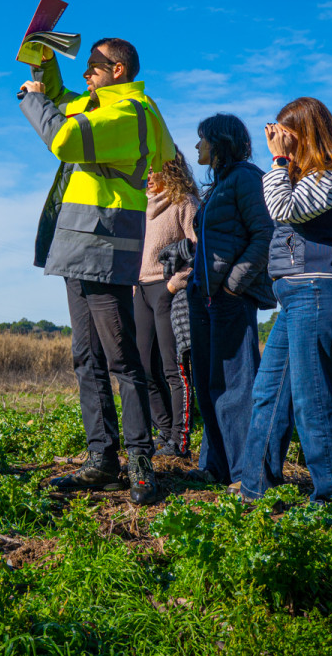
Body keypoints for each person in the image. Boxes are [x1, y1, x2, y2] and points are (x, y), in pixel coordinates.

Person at [19, 38, 176, 506]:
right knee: (86, 357)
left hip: (104, 248)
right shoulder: (100, 106)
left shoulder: (130, 113)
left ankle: (140, 461)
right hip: (79, 246)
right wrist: (44, 62)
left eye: (93, 66)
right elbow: (63, 98)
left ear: (118, 69)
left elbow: (64, 137)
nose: (86, 74)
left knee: (121, 358)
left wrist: (32, 101)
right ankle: (102, 460)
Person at [238, 97, 332, 504]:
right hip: (297, 295)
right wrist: (283, 165)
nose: (281, 141)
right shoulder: (304, 176)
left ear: (307, 133)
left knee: (314, 397)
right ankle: (256, 489)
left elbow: (282, 208)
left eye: (288, 134)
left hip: (321, 291)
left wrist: (277, 161)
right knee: (269, 391)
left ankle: (331, 496)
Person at [160, 114, 275, 484]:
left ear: (221, 141)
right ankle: (215, 467)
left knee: (237, 388)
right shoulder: (218, 185)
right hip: (204, 297)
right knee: (211, 385)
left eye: (203, 139)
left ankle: (245, 474)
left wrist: (233, 286)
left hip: (230, 299)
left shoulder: (246, 178)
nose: (197, 146)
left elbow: (264, 235)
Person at [135, 149, 199, 458]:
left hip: (169, 290)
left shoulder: (185, 202)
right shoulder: (139, 204)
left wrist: (175, 283)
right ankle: (163, 431)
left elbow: (200, 248)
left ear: (170, 169)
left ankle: (179, 441)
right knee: (143, 366)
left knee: (174, 368)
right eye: (145, 170)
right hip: (140, 290)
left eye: (153, 170)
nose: (147, 175)